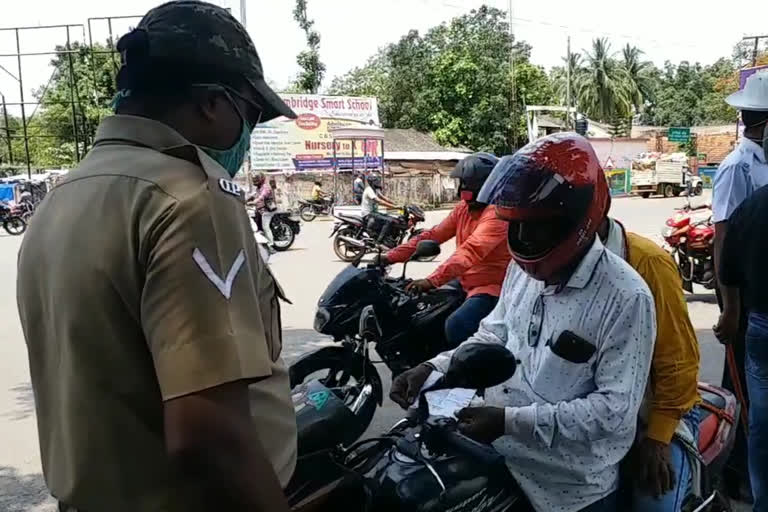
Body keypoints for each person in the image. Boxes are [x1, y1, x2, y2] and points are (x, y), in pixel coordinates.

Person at [16, 2, 297, 511]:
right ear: (212, 103)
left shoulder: (65, 195)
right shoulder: (189, 200)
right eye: (251, 114)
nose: (249, 132)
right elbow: (210, 431)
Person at [391, 133, 656, 512]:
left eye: (537, 226)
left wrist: (509, 422)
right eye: (517, 225)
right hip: (499, 456)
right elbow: (496, 331)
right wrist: (434, 367)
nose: (525, 238)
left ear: (576, 219)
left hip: (568, 485)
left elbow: (613, 412)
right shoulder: (521, 270)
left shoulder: (625, 297)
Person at [599, 215, 701, 510]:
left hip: (656, 409)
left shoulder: (647, 261)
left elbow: (679, 359)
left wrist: (658, 438)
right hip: (597, 414)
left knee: (652, 502)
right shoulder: (540, 263)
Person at [378, 153, 511, 346]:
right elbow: (433, 236)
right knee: (422, 309)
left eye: (466, 183)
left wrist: (431, 280)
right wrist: (389, 257)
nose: (461, 189)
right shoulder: (464, 208)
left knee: (456, 325)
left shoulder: (497, 214)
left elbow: (469, 252)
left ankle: (462, 372)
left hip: (492, 286)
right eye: (461, 183)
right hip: (466, 280)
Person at [711, 70, 768, 500]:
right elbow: (724, 235)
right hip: (745, 291)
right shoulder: (738, 167)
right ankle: (735, 475)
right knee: (745, 396)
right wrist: (730, 309)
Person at [361, 173, 399, 246]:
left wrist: (395, 204)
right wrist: (394, 207)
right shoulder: (369, 190)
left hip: (374, 212)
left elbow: (383, 198)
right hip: (368, 214)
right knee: (388, 221)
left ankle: (388, 238)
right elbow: (379, 201)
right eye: (376, 180)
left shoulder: (376, 189)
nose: (378, 182)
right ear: (371, 182)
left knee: (392, 218)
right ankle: (379, 241)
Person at [248, 171, 276, 244]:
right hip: (259, 209)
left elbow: (262, 196)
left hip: (267, 210)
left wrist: (254, 202)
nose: (256, 181)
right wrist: (245, 199)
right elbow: (253, 195)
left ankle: (270, 244)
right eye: (254, 179)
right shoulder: (258, 188)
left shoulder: (266, 187)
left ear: (261, 179)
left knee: (265, 227)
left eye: (257, 179)